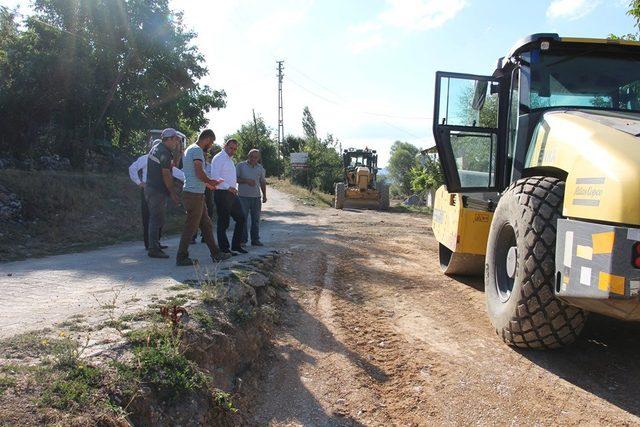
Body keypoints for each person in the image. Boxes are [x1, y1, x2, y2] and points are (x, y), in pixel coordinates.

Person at [176, 129, 230, 266]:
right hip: (193, 194)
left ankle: (216, 254)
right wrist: (211, 182)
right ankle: (181, 257)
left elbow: (197, 175)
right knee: (191, 226)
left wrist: (208, 184)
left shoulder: (190, 149)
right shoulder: (197, 150)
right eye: (211, 142)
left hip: (196, 193)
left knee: (206, 224)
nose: (210, 146)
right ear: (207, 139)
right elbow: (199, 172)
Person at [129, 141, 185, 250]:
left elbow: (174, 172)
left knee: (159, 217)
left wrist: (189, 179)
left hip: (160, 191)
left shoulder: (163, 157)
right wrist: (139, 182)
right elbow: (132, 168)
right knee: (149, 217)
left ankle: (156, 242)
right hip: (149, 190)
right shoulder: (145, 158)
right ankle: (149, 245)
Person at [145, 128, 181, 259]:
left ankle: (155, 244)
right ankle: (153, 249)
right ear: (169, 139)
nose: (176, 143)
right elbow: (166, 174)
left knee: (158, 218)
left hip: (152, 189)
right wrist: (172, 192)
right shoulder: (164, 152)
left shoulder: (157, 148)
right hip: (157, 190)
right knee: (156, 219)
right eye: (175, 140)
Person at [210, 139, 247, 255]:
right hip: (222, 193)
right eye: (231, 148)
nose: (233, 151)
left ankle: (236, 245)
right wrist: (228, 187)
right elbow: (215, 177)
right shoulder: (219, 158)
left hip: (231, 193)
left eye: (235, 149)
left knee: (241, 218)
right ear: (225, 145)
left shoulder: (229, 159)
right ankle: (224, 249)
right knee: (223, 222)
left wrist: (232, 188)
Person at [236, 149, 267, 246]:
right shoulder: (240, 166)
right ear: (248, 156)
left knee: (256, 220)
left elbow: (262, 182)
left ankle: (255, 240)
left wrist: (264, 195)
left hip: (256, 198)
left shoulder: (260, 168)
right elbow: (235, 179)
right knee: (243, 219)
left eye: (256, 157)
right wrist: (246, 181)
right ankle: (243, 240)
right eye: (251, 156)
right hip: (243, 197)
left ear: (258, 158)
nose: (253, 159)